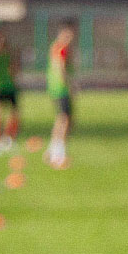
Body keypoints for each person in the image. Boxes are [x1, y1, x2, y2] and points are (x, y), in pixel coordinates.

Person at [45, 22, 77, 169]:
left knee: (60, 119)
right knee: (65, 121)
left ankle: (51, 151)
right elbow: (60, 68)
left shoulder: (55, 46)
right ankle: (59, 156)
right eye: (69, 34)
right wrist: (70, 86)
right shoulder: (62, 48)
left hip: (54, 88)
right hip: (61, 88)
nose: (71, 37)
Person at [0, 31, 22, 156]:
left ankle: (8, 138)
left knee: (14, 113)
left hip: (9, 87)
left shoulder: (8, 55)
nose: (1, 43)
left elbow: (14, 70)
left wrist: (16, 61)